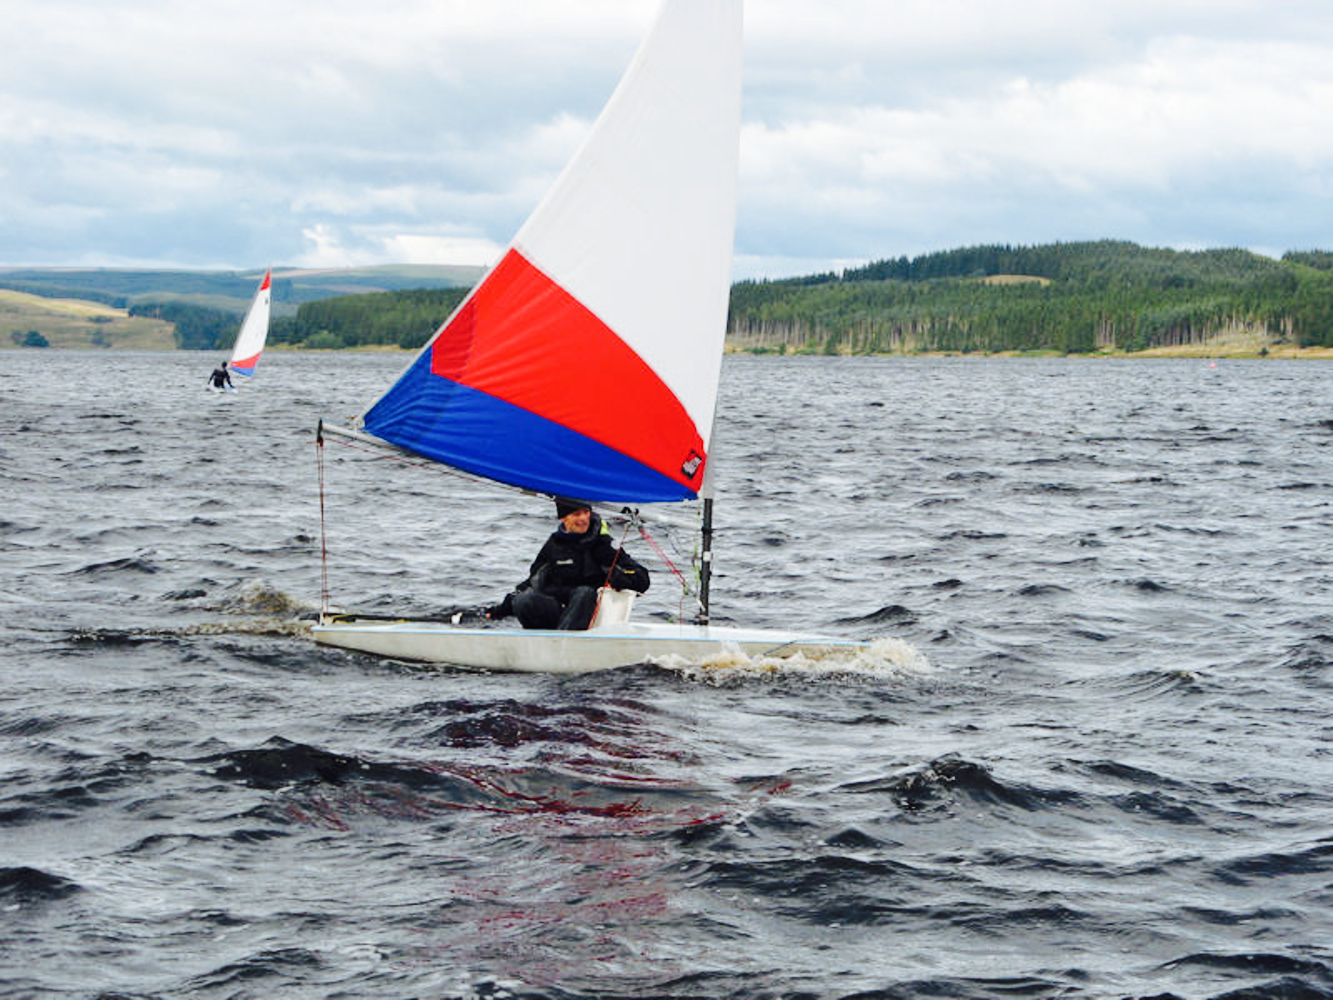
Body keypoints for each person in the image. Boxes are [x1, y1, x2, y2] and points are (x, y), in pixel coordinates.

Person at [488, 496, 650, 630]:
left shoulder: (603, 547)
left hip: (589, 617)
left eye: (586, 512)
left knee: (584, 593)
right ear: (563, 518)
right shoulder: (554, 545)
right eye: (576, 514)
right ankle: (544, 646)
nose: (583, 518)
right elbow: (531, 582)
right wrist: (499, 611)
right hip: (558, 610)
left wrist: (620, 578)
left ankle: (563, 644)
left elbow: (642, 578)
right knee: (524, 600)